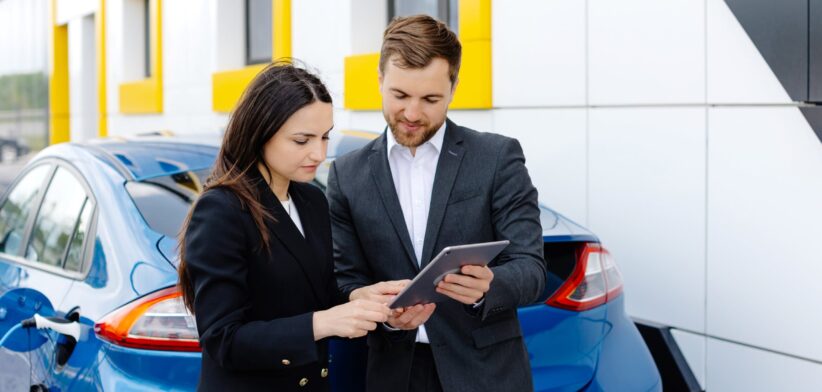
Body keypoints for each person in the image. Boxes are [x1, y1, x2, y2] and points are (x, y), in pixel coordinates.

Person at [327, 15, 547, 392]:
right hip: (395, 374)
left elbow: (532, 268)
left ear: (454, 87)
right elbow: (346, 279)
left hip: (487, 374)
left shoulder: (497, 157)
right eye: (399, 96)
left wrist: (490, 285)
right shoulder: (346, 174)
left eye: (430, 99)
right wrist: (374, 306)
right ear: (380, 80)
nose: (412, 114)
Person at [177, 62, 391, 392]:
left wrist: (361, 297)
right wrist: (320, 324)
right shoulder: (221, 210)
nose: (319, 153)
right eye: (302, 140)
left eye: (324, 137)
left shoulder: (311, 200)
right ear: (260, 132)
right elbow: (223, 339)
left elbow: (311, 289)